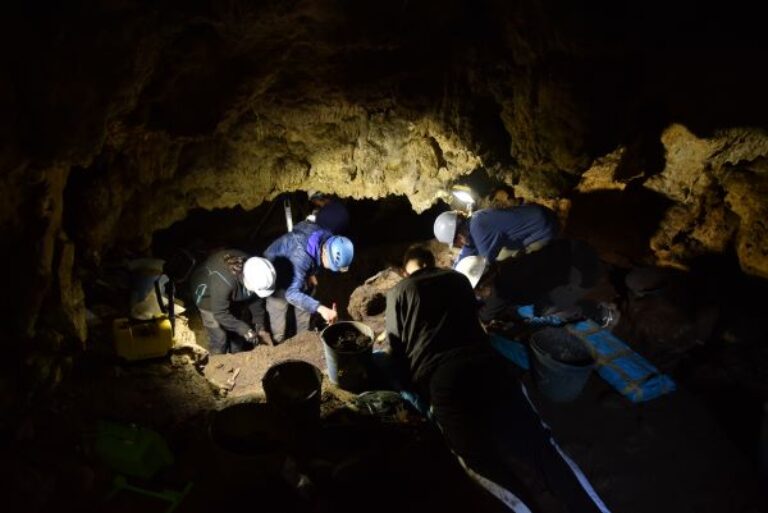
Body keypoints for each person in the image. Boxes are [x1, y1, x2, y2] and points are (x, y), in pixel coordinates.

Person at [385, 245, 611, 513]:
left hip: (443, 378)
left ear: (405, 271)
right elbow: (477, 315)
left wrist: (411, 392)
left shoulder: (398, 292)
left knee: (481, 464)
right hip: (488, 363)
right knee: (541, 448)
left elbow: (396, 351)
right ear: (432, 262)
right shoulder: (457, 278)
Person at [264, 220, 354, 343]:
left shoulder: (327, 237)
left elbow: (310, 248)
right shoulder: (301, 256)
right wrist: (322, 309)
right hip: (274, 275)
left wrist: (310, 273)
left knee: (306, 302)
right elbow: (291, 294)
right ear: (326, 254)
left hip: (295, 264)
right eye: (333, 266)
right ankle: (279, 344)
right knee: (279, 309)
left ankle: (303, 341)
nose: (333, 270)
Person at [189, 250, 276, 354]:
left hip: (229, 293)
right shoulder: (224, 283)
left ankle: (236, 356)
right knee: (220, 337)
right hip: (206, 296)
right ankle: (217, 361)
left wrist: (260, 327)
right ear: (247, 282)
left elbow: (255, 300)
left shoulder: (254, 267)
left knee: (237, 332)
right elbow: (220, 313)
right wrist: (245, 330)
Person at [434, 204, 559, 264]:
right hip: (540, 214)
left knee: (512, 262)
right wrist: (457, 269)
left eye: (456, 242)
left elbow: (485, 263)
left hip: (544, 227)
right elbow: (469, 248)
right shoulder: (474, 222)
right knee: (507, 252)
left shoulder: (478, 226)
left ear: (458, 235)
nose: (459, 245)